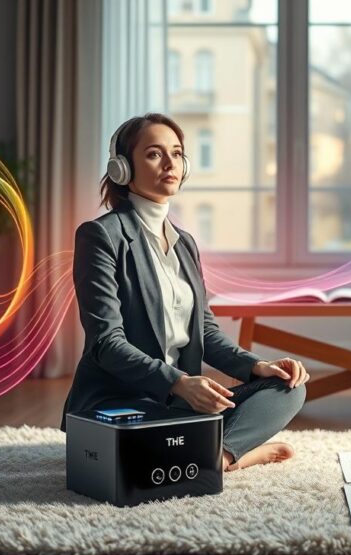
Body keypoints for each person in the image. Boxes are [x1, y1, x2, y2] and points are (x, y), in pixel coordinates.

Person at [61, 113, 309, 471]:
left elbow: (205, 332)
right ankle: (221, 452)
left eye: (177, 154)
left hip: (183, 403)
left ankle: (219, 455)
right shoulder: (101, 236)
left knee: (289, 388)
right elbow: (106, 343)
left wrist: (258, 366)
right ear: (122, 168)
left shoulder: (185, 244)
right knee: (148, 446)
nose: (170, 164)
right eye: (154, 154)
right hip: (122, 401)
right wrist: (178, 382)